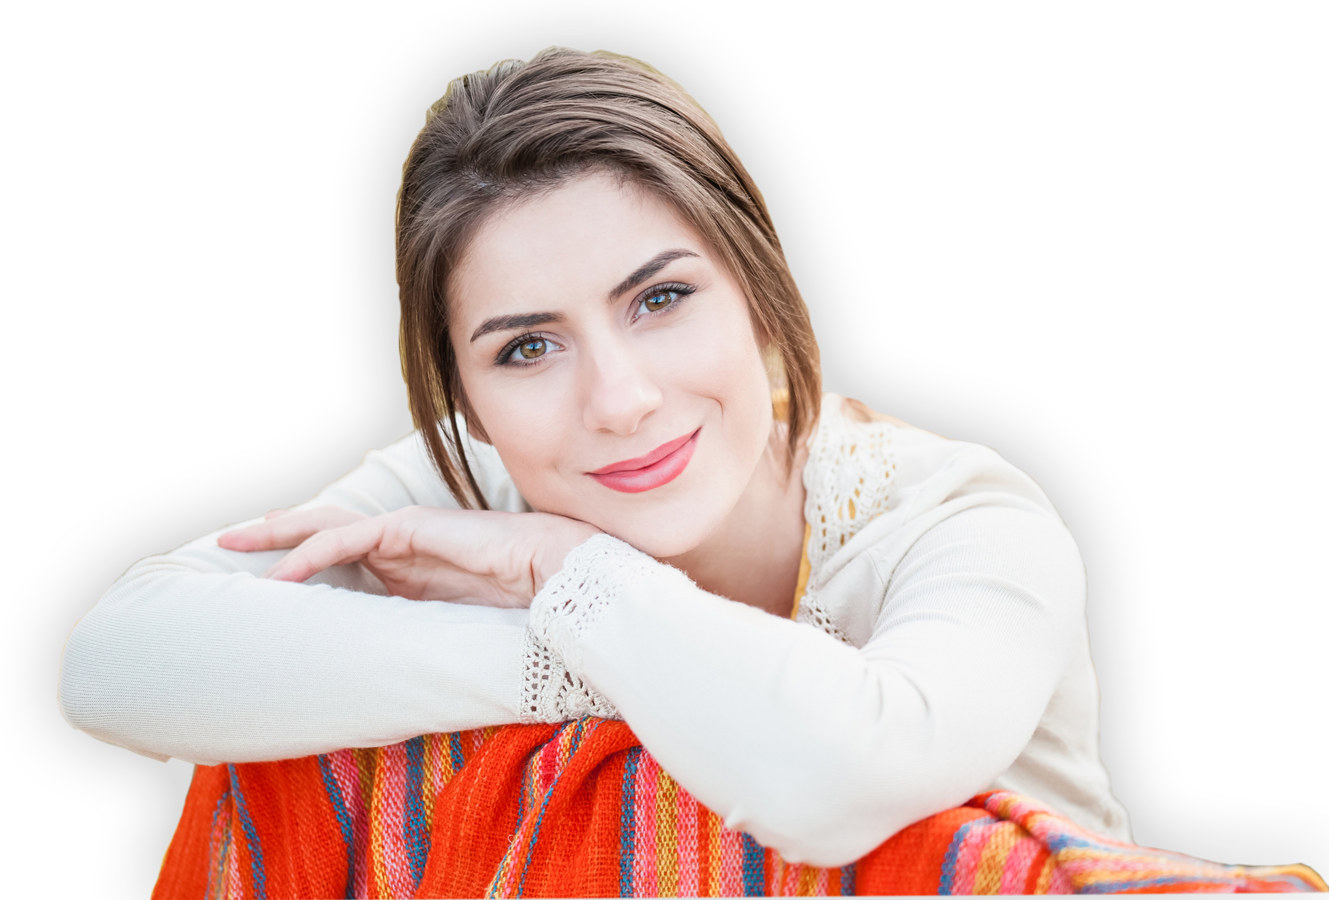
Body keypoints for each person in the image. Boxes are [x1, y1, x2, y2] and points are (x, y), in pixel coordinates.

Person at [57, 46, 1132, 868]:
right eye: (527, 348)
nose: (620, 401)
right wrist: (564, 652)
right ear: (467, 403)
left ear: (759, 296)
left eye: (660, 298)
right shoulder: (470, 481)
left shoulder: (961, 516)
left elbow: (835, 787)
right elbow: (118, 663)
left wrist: (571, 577)